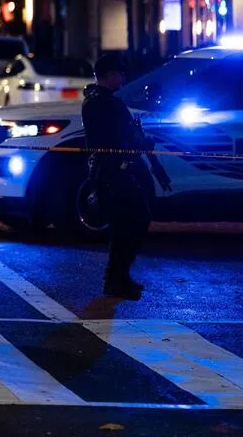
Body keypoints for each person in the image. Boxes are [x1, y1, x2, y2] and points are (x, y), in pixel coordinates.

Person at [82, 53, 169, 300]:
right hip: (114, 174)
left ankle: (119, 277)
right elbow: (119, 139)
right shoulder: (106, 103)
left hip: (111, 172)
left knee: (128, 223)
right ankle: (115, 278)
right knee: (134, 220)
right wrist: (141, 141)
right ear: (109, 75)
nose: (123, 77)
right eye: (119, 73)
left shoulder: (96, 100)